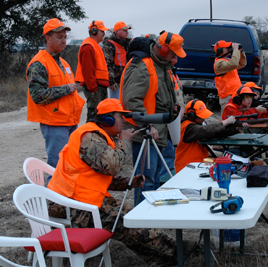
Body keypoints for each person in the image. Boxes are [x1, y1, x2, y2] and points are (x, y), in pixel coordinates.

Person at [47, 99, 186, 265]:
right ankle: (175, 252)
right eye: (120, 117)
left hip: (82, 197)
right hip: (71, 203)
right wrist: (125, 141)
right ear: (108, 120)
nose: (124, 121)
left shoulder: (99, 136)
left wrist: (128, 182)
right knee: (125, 220)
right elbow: (112, 166)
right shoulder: (89, 137)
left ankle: (164, 253)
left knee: (130, 215)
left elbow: (97, 174)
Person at [120, 31, 186, 204]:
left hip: (158, 131)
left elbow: (157, 95)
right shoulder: (142, 66)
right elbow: (131, 101)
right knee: (146, 181)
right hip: (145, 133)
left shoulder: (160, 65)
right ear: (164, 50)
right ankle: (143, 226)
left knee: (155, 179)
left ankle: (151, 223)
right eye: (173, 54)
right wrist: (148, 125)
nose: (174, 58)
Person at [26, 18, 85, 183]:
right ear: (48, 38)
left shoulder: (63, 62)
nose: (64, 40)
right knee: (56, 166)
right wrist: (66, 89)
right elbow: (38, 95)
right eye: (59, 37)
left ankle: (67, 203)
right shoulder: (38, 64)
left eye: (65, 37)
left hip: (70, 121)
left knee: (70, 164)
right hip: (54, 123)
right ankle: (53, 205)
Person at [175, 99, 237, 173]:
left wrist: (236, 128)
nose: (204, 118)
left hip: (195, 166)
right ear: (192, 115)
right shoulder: (187, 127)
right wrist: (225, 122)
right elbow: (206, 130)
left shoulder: (197, 125)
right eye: (201, 116)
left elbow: (215, 132)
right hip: (186, 168)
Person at [75, 20, 110, 122]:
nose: (104, 34)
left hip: (99, 87)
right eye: (102, 31)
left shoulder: (93, 45)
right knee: (94, 116)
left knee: (100, 115)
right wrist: (93, 89)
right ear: (94, 31)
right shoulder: (88, 47)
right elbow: (88, 70)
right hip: (95, 88)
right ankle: (89, 136)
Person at [102, 21, 132, 99]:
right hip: (116, 83)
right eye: (125, 30)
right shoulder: (109, 45)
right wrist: (111, 82)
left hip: (126, 81)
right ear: (117, 31)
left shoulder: (127, 44)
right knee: (116, 105)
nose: (127, 32)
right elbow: (106, 64)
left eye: (127, 30)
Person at [213, 40, 247, 109]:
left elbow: (242, 64)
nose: (229, 49)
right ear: (220, 50)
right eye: (227, 48)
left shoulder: (227, 60)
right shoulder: (219, 63)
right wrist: (235, 51)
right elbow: (234, 64)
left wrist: (240, 52)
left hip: (235, 94)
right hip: (227, 97)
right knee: (227, 118)